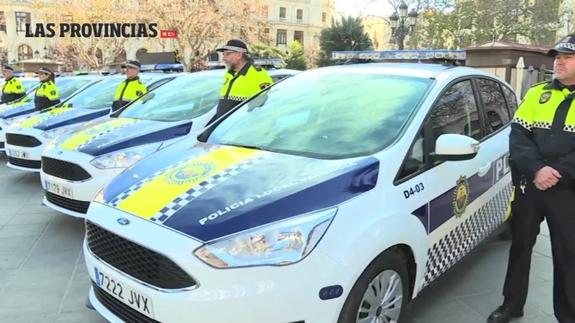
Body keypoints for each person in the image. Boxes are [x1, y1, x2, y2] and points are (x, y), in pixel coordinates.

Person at [488, 34, 575, 323]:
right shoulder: (538, 93)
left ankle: (568, 314)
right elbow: (519, 134)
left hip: (568, 191)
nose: (558, 62)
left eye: (567, 57)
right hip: (531, 186)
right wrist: (537, 169)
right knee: (520, 245)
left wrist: (557, 173)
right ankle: (512, 305)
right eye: (557, 56)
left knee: (568, 253)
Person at [210, 39, 273, 123]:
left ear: (239, 55)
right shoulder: (230, 75)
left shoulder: (257, 75)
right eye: (223, 54)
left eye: (227, 54)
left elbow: (265, 108)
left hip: (242, 131)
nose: (224, 58)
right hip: (225, 130)